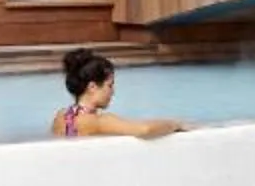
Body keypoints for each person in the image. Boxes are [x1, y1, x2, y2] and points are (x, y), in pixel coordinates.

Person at [50, 48, 185, 140]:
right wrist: (175, 124)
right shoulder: (100, 122)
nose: (113, 91)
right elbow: (144, 130)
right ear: (92, 87)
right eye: (110, 85)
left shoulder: (61, 117)